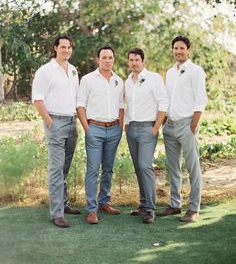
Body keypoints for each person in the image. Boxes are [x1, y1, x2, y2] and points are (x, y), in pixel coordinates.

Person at [32, 35, 81, 228]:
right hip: (56, 123)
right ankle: (57, 213)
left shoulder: (74, 70)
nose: (67, 50)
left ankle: (64, 203)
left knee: (64, 167)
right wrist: (50, 122)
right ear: (55, 48)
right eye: (63, 47)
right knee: (56, 168)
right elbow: (37, 99)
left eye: (69, 47)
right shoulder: (45, 71)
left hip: (71, 123)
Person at [160, 35, 208, 222]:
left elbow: (200, 100)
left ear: (188, 50)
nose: (178, 51)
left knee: (193, 167)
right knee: (173, 168)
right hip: (170, 126)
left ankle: (194, 209)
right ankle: (175, 204)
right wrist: (164, 120)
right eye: (175, 48)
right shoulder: (170, 72)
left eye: (181, 48)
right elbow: (167, 99)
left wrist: (193, 125)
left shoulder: (195, 71)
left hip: (187, 125)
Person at [77, 46, 124, 224]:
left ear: (114, 59)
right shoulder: (88, 79)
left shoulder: (119, 81)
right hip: (94, 128)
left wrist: (120, 128)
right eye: (104, 57)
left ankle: (104, 202)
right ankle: (91, 209)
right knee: (92, 169)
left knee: (108, 168)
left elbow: (121, 106)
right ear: (98, 60)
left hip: (114, 129)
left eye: (110, 57)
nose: (107, 60)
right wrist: (87, 128)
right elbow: (80, 105)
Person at [125, 48, 169, 224]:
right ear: (128, 62)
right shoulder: (127, 81)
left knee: (145, 166)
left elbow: (163, 103)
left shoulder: (154, 78)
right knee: (138, 168)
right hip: (132, 129)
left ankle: (151, 210)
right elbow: (127, 106)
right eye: (131, 60)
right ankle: (142, 205)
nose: (134, 63)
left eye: (137, 59)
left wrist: (155, 128)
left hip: (148, 129)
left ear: (143, 61)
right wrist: (127, 126)